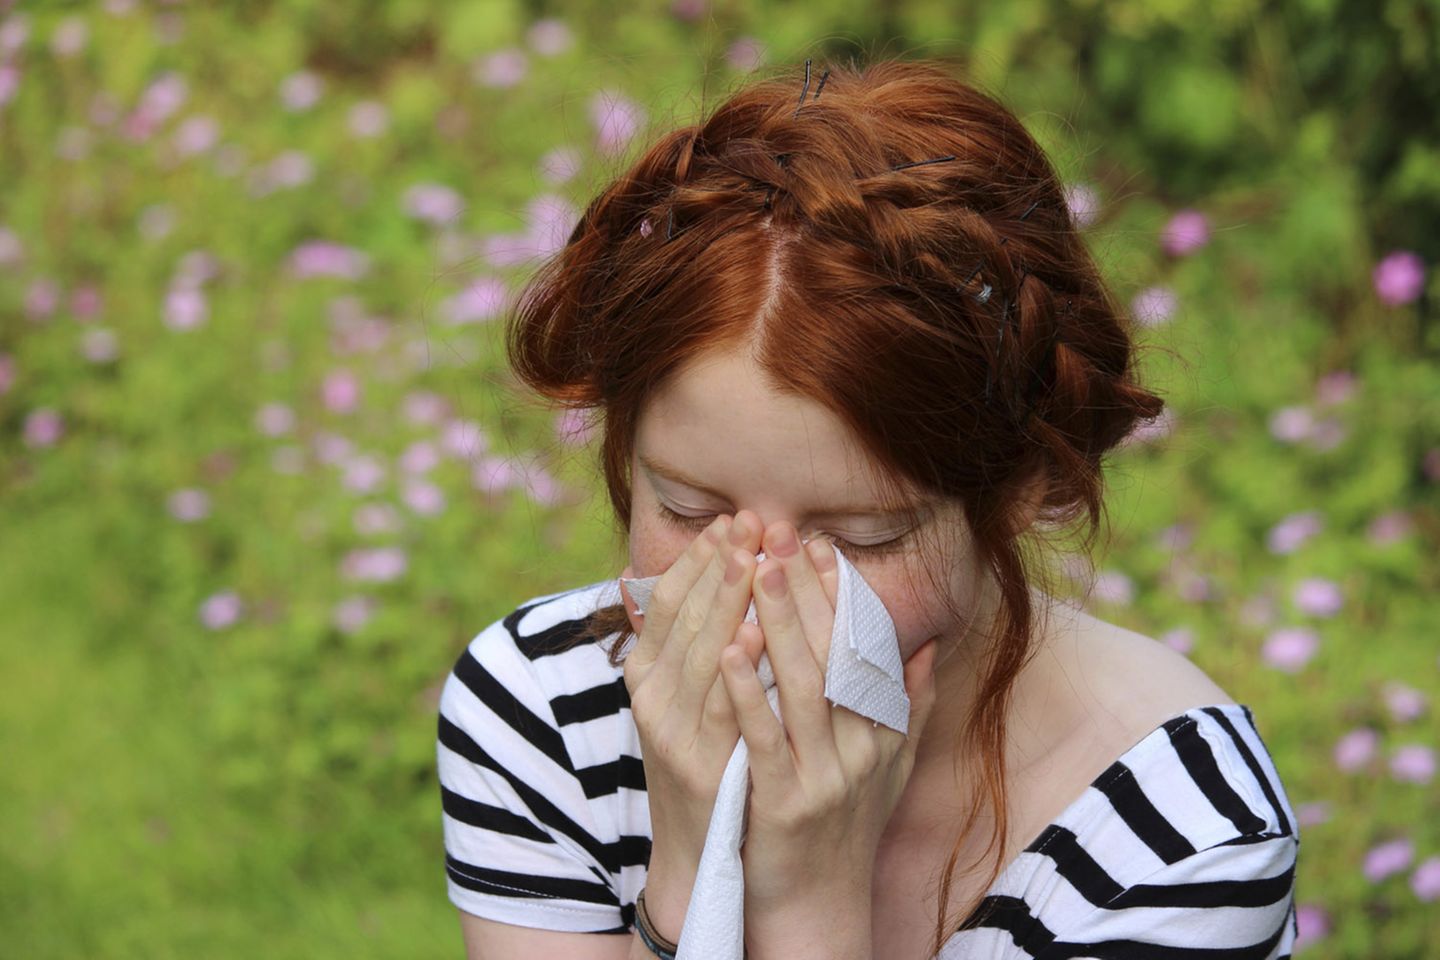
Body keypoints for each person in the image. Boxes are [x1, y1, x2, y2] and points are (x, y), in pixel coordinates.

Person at [435, 57, 1300, 960]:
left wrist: (812, 906)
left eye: (862, 535)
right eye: (689, 511)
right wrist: (689, 872)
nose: (761, 602)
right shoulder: (543, 711)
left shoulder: (1181, 839)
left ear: (1017, 491)